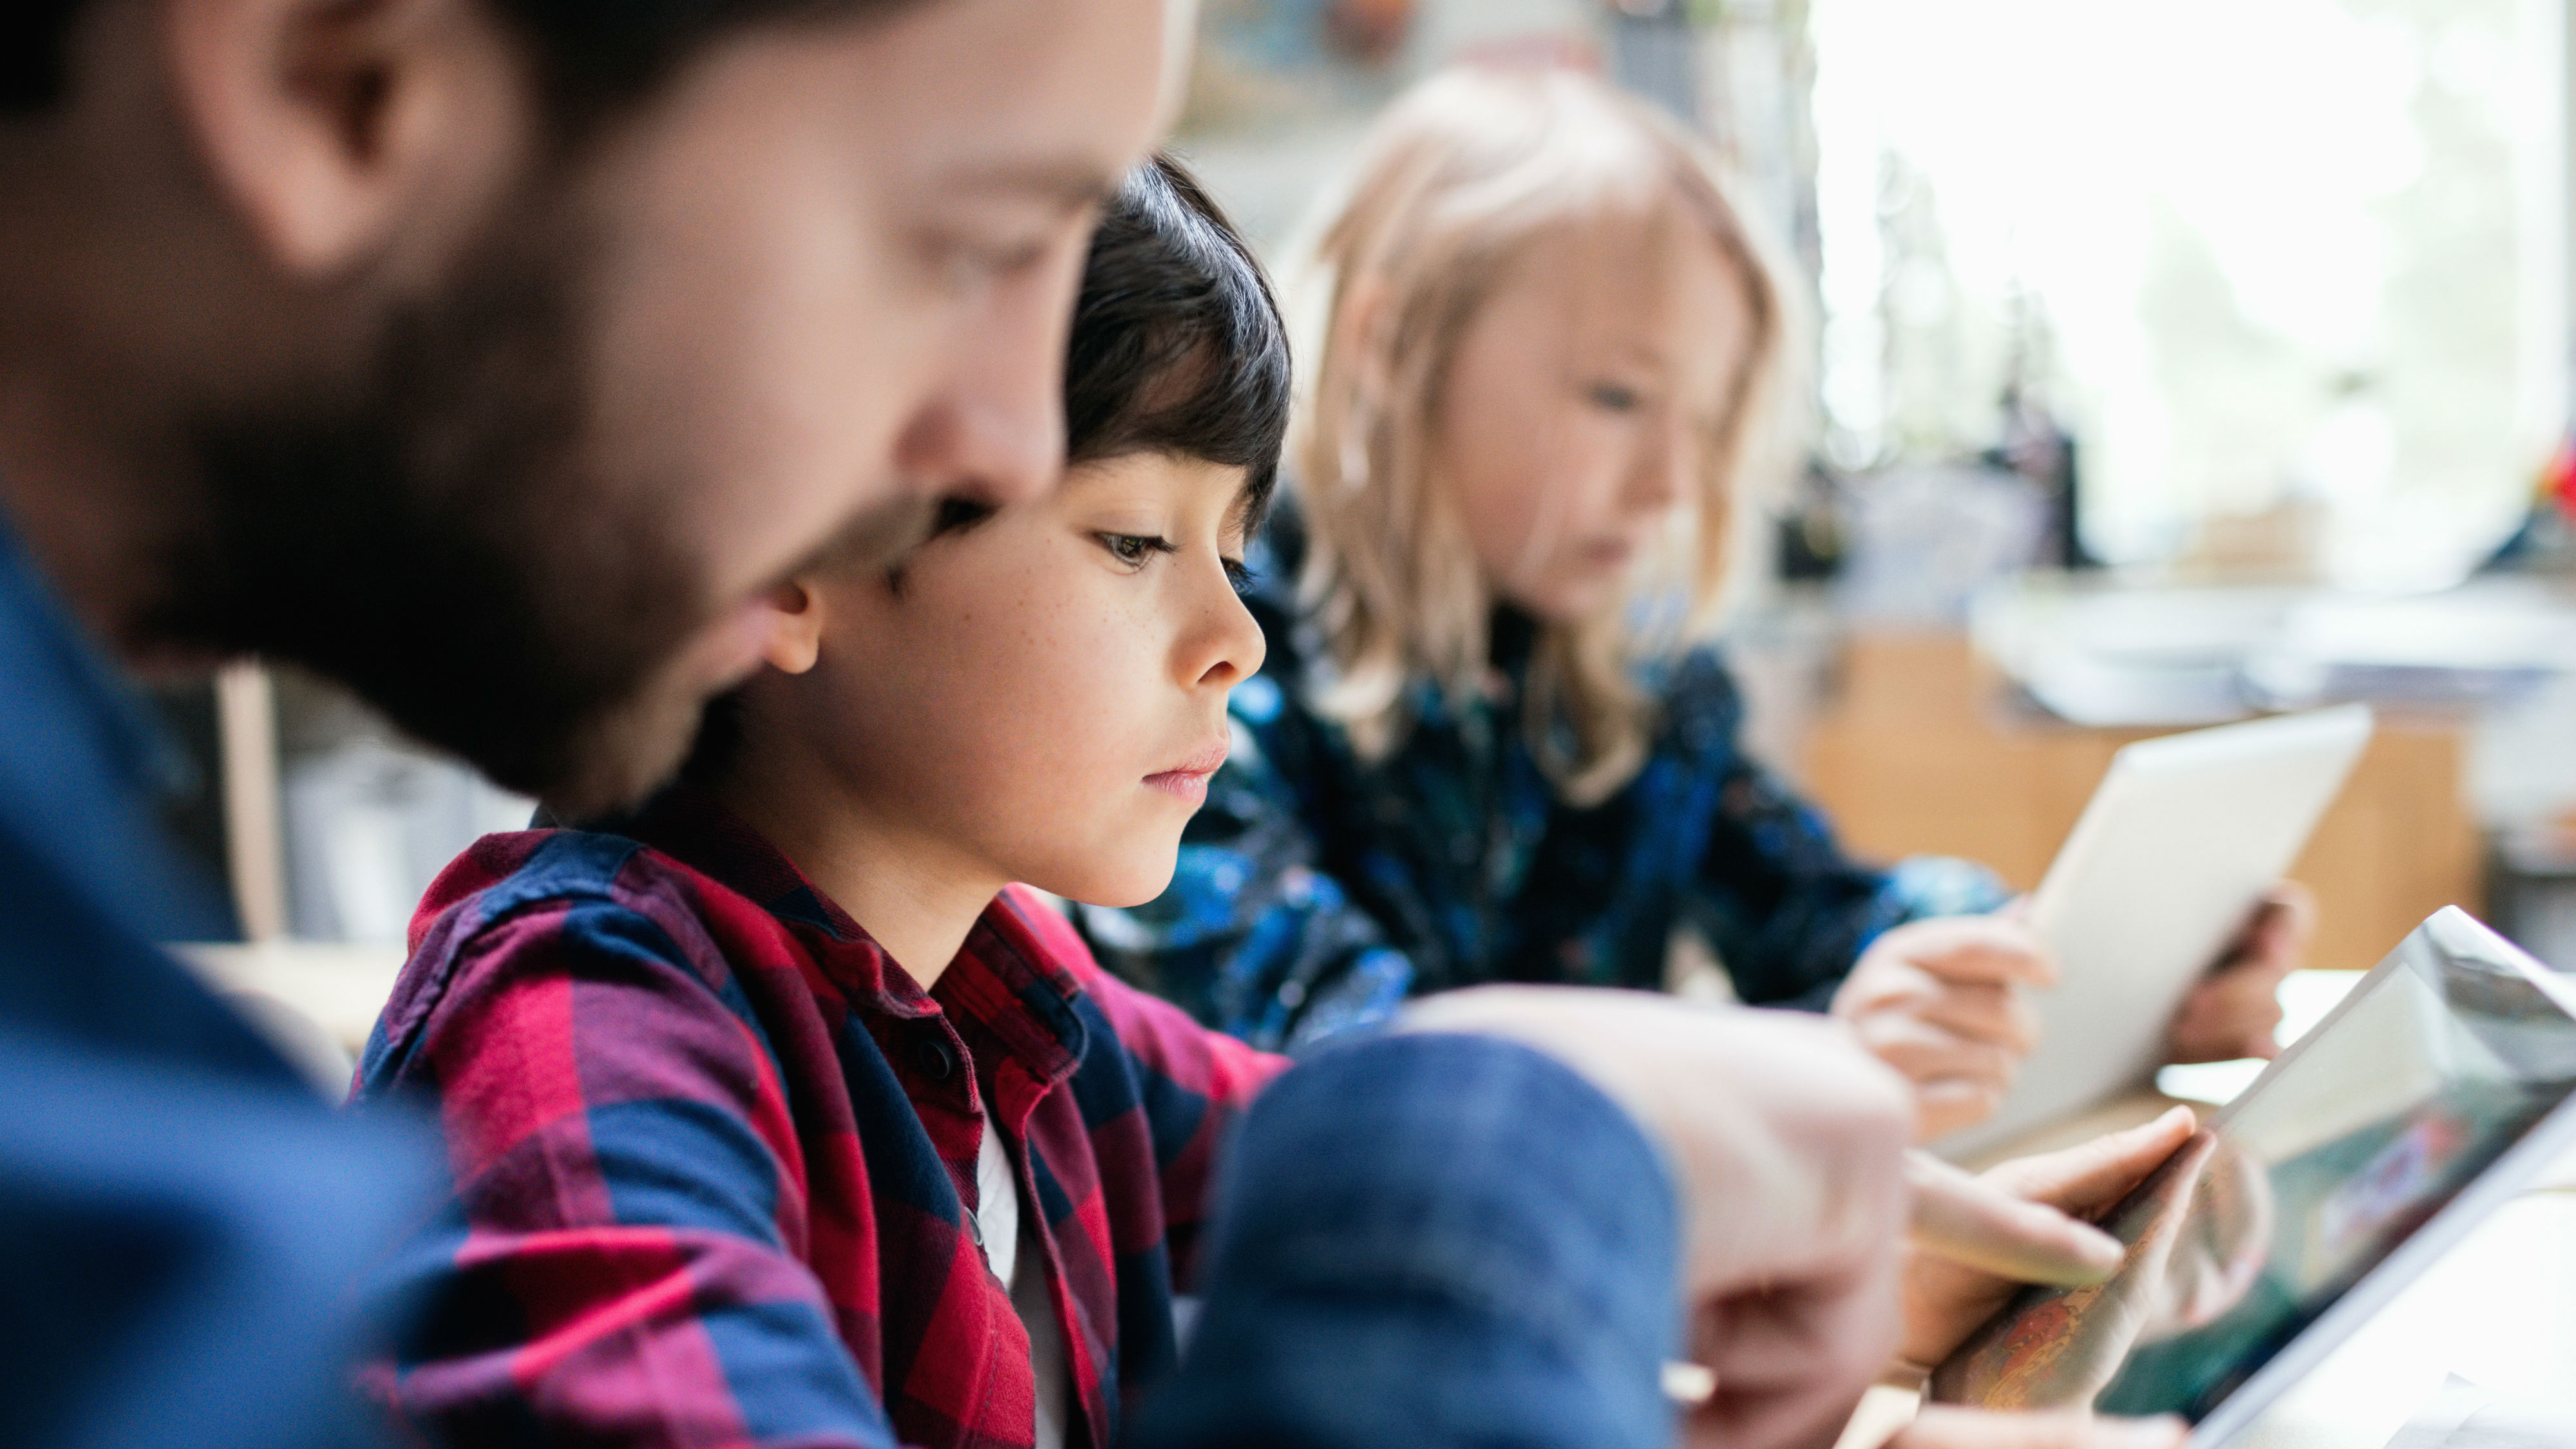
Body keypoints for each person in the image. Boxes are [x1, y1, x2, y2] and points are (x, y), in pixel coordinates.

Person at [0, 2, 2170, 1444]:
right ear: (334, 69)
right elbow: (1400, 1148)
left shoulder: (1025, 1007)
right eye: (955, 246)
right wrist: (1503, 1184)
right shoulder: (563, 1017)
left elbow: (1318, 1126)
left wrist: (1835, 1235)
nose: (954, 440)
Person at [1073, 66, 2309, 1139]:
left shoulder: (1639, 683)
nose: (1672, 483)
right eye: (1618, 397)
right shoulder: (1209, 657)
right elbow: (1340, 1048)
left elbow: (1825, 916)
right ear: (1397, 350)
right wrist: (1807, 1063)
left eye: (1707, 425)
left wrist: (2048, 961)